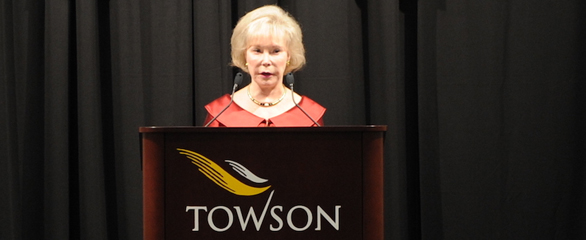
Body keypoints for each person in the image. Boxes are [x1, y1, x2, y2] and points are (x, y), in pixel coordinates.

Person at [204, 5, 326, 127]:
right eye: (257, 50)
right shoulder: (220, 114)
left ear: (289, 55)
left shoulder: (308, 115)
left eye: (276, 51)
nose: (266, 61)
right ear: (244, 54)